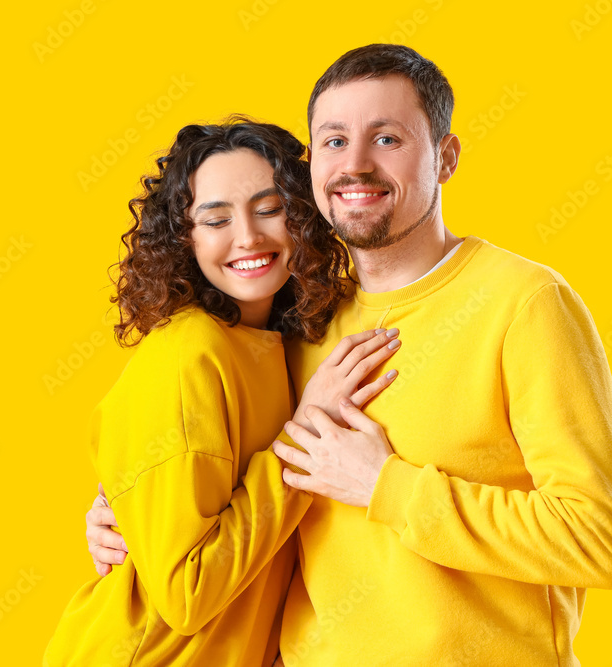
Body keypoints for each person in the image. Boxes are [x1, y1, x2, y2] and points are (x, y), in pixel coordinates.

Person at [88, 45, 612, 666]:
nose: (355, 165)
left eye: (387, 139)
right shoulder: (303, 320)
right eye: (333, 141)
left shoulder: (526, 305)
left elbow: (598, 541)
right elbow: (224, 486)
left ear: (445, 157)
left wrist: (387, 485)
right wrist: (126, 516)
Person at [45, 118, 403, 666]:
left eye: (269, 208)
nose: (249, 238)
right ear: (184, 238)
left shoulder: (285, 343)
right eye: (216, 219)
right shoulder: (189, 355)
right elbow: (187, 595)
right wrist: (306, 433)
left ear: (303, 215)